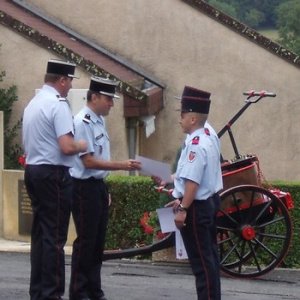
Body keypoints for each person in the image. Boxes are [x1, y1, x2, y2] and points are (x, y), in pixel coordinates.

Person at [69, 76, 141, 300]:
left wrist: (105, 186)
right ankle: (79, 292)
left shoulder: (98, 120)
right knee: (86, 241)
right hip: (83, 187)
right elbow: (88, 161)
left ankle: (93, 289)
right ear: (94, 97)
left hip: (97, 185)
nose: (111, 104)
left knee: (98, 241)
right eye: (108, 99)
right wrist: (122, 165)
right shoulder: (83, 122)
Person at [22, 59, 88, 300]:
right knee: (55, 238)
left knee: (40, 236)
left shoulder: (34, 103)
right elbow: (66, 146)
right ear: (62, 80)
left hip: (34, 171)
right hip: (54, 174)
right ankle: (52, 294)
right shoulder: (58, 104)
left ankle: (38, 292)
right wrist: (82, 143)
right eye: (69, 81)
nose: (70, 86)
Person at [167, 86, 223, 300]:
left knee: (202, 264)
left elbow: (193, 183)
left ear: (192, 119)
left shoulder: (195, 145)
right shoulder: (208, 135)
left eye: (182, 115)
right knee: (209, 260)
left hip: (197, 209)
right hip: (206, 203)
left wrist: (182, 209)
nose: (179, 120)